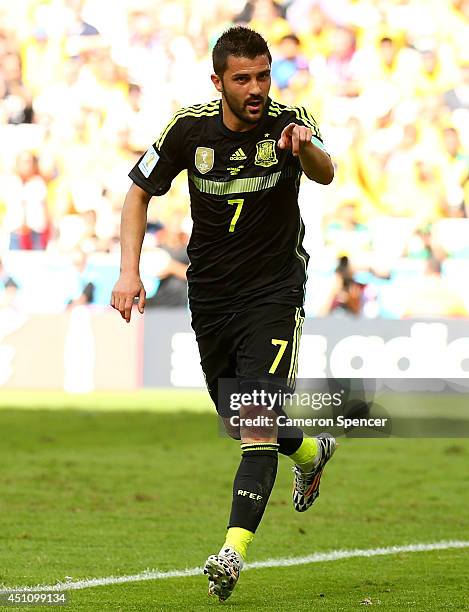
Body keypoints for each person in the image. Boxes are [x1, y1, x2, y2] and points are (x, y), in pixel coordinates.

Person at [111, 26, 336, 601]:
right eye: (244, 78)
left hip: (274, 292)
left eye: (263, 75)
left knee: (256, 423)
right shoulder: (188, 130)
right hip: (211, 295)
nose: (257, 87)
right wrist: (129, 271)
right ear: (219, 83)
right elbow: (138, 191)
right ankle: (311, 453)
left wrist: (304, 144)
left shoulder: (288, 121)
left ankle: (232, 553)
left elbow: (325, 171)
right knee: (239, 414)